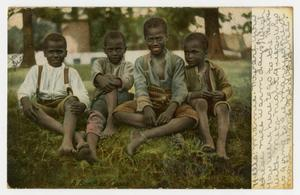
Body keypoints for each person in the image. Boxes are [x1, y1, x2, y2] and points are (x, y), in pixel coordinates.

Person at [113, 17, 198, 156]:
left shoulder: (177, 61)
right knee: (118, 113)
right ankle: (168, 128)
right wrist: (146, 108)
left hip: (171, 103)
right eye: (150, 39)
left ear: (166, 37)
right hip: (150, 102)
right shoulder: (140, 62)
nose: (155, 43)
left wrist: (170, 111)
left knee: (191, 117)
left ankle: (145, 135)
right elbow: (140, 87)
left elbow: (180, 89)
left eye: (159, 38)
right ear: (145, 39)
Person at [17, 33, 90, 157]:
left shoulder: (71, 72)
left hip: (63, 106)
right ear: (44, 53)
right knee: (30, 107)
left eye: (59, 51)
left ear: (65, 53)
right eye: (51, 52)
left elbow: (82, 93)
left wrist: (83, 104)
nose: (55, 55)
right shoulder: (37, 70)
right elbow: (25, 89)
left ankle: (66, 142)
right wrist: (25, 100)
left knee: (72, 100)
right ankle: (77, 136)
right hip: (44, 107)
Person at [79, 31, 134, 163]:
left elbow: (128, 81)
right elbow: (96, 76)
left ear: (125, 49)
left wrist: (109, 80)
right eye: (111, 49)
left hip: (121, 101)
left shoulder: (128, 66)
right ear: (105, 50)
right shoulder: (99, 62)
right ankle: (91, 151)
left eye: (118, 49)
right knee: (95, 119)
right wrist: (106, 79)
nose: (114, 53)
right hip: (101, 101)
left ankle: (110, 122)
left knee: (111, 83)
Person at [183, 32, 233, 159]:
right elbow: (181, 92)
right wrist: (195, 94)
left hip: (214, 102)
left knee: (223, 107)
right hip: (196, 103)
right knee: (201, 102)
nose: (189, 56)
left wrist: (222, 94)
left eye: (194, 52)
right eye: (186, 52)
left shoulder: (215, 69)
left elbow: (227, 86)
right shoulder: (185, 72)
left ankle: (221, 145)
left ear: (205, 53)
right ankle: (208, 140)